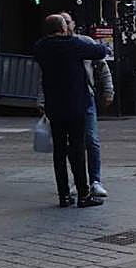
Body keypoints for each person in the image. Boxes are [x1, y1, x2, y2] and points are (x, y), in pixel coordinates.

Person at [33, 14, 108, 207]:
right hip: (76, 105)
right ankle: (84, 194)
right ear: (64, 28)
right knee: (77, 148)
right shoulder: (74, 45)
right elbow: (100, 51)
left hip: (54, 107)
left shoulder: (41, 47)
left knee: (59, 151)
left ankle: (64, 195)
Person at [58, 13, 113, 198]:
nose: (65, 25)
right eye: (62, 22)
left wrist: (108, 90)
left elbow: (102, 66)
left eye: (67, 21)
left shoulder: (84, 42)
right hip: (63, 99)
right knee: (71, 143)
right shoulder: (55, 45)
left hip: (85, 96)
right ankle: (79, 180)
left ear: (73, 24)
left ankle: (95, 180)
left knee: (91, 139)